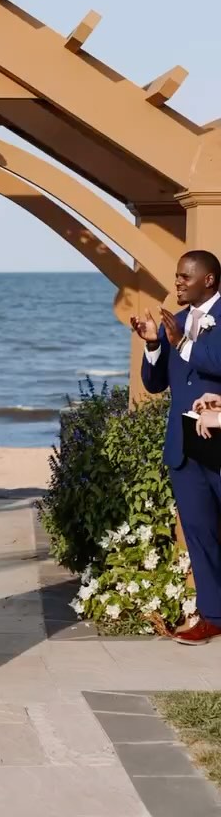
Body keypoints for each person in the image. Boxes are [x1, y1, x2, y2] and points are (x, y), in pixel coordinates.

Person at [131, 249, 221, 644]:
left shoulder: (196, 327)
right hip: (184, 449)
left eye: (186, 276)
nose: (178, 281)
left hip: (218, 438)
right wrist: (153, 346)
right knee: (200, 534)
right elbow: (155, 384)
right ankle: (213, 616)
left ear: (210, 280)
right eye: (177, 275)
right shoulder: (177, 322)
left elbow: (216, 361)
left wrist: (181, 342)